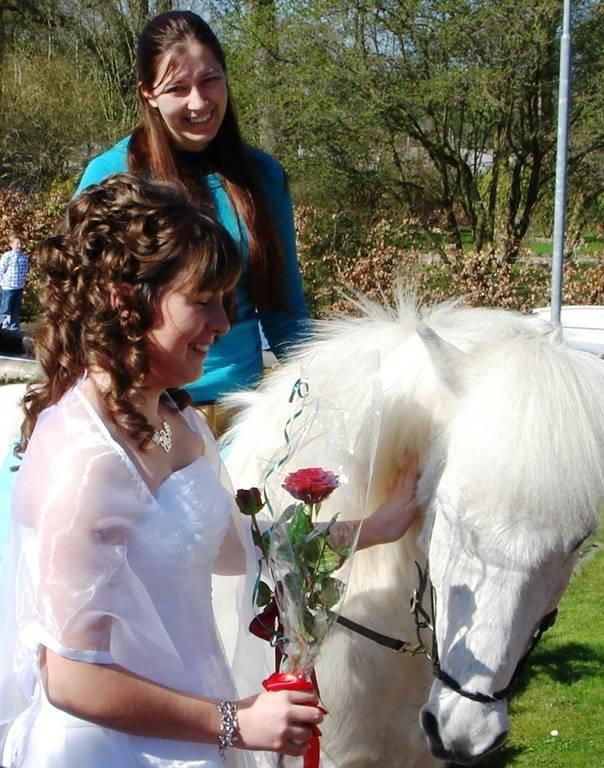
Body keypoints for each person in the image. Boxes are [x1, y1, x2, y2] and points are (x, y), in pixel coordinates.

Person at [0, 174, 420, 768]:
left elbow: (241, 545)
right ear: (123, 298)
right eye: (202, 301)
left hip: (192, 727)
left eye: (226, 301)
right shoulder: (84, 458)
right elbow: (71, 678)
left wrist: (375, 527)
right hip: (111, 749)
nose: (224, 324)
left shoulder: (179, 423)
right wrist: (235, 722)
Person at [77, 10, 310, 416]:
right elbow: (83, 311)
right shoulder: (111, 176)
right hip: (145, 413)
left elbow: (285, 311)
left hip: (245, 412)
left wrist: (319, 387)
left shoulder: (264, 177)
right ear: (148, 94)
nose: (199, 102)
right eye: (178, 88)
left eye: (210, 80)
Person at [0, 236, 30, 331]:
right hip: (8, 287)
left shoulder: (24, 257)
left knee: (16, 310)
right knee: (5, 309)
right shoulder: (7, 256)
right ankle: (1, 326)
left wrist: (23, 283)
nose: (19, 245)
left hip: (19, 287)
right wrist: (2, 283)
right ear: (11, 244)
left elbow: (25, 271)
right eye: (17, 243)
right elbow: (1, 270)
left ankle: (14, 328)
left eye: (20, 243)